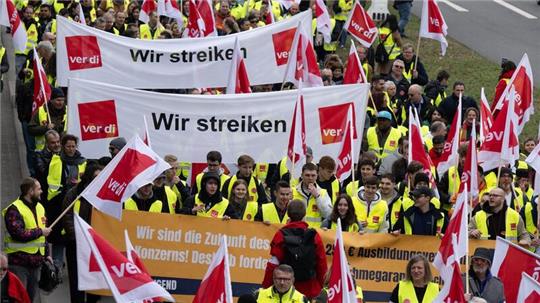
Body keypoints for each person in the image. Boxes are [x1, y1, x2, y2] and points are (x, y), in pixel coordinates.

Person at [262, 200, 327, 299]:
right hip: (310, 289)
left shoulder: (280, 235)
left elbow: (273, 264)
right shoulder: (314, 235)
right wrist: (322, 286)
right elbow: (321, 264)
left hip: (285, 289)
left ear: (288, 214)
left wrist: (265, 287)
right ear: (304, 214)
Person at [3, 177, 51, 303]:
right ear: (30, 191)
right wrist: (41, 231)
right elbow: (18, 233)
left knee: (30, 298)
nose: (41, 191)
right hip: (19, 263)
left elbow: (43, 234)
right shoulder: (14, 210)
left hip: (35, 263)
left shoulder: (40, 207)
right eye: (39, 189)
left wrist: (47, 254)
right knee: (18, 298)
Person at [62, 163, 103, 303]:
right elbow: (67, 217)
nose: (99, 179)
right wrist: (76, 237)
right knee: (76, 281)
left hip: (95, 246)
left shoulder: (103, 195)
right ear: (88, 178)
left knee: (93, 283)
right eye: (96, 176)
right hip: (76, 244)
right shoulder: (73, 194)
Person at [291, 163, 332, 228]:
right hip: (297, 231)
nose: (310, 178)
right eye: (307, 175)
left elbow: (328, 214)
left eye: (313, 175)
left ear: (317, 176)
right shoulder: (293, 191)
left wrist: (317, 196)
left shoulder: (323, 193)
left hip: (314, 233)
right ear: (301, 175)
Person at [28, 88, 67, 153]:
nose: (61, 103)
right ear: (51, 100)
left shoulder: (68, 111)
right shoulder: (41, 111)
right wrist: (45, 128)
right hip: (44, 152)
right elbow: (30, 129)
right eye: (58, 100)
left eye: (63, 100)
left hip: (63, 152)